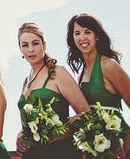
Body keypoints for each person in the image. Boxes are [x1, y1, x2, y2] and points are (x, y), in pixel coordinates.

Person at [67, 14, 130, 159]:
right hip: (97, 150)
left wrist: (125, 147)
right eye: (77, 33)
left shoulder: (109, 66)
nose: (82, 38)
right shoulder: (81, 75)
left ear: (97, 36)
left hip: (119, 151)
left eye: (87, 32)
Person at [16, 22, 89, 159]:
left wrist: (55, 135)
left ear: (44, 45)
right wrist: (21, 133)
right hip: (32, 154)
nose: (31, 49)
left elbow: (85, 113)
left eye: (35, 43)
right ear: (20, 49)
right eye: (25, 45)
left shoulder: (57, 72)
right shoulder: (27, 81)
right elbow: (30, 120)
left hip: (60, 152)